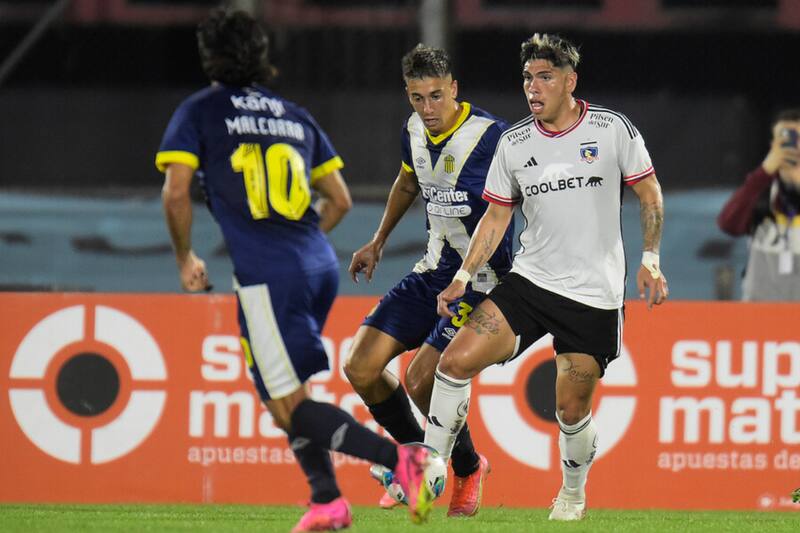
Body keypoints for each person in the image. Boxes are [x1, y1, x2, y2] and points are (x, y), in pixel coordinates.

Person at [156, 8, 432, 531]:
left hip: (268, 271)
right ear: (260, 56)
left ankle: (404, 459)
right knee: (284, 395)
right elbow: (341, 200)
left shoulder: (201, 111)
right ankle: (326, 499)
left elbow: (175, 193)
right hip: (314, 262)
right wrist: (298, 245)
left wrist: (185, 257)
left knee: (289, 404)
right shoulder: (292, 115)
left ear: (208, 55)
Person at [422, 33, 668, 523]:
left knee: (571, 411)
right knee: (452, 362)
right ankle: (430, 463)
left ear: (570, 81)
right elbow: (495, 219)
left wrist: (652, 258)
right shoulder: (514, 143)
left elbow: (649, 192)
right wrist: (464, 275)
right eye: (527, 78)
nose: (533, 88)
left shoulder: (612, 128)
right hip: (530, 284)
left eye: (545, 77)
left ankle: (573, 494)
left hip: (593, 296)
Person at [344, 44, 514, 517]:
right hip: (431, 272)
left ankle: (464, 469)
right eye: (417, 98)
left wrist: (467, 275)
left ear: (454, 89)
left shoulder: (492, 137)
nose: (428, 108)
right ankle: (423, 462)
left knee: (422, 379)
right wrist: (377, 241)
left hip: (481, 279)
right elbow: (407, 183)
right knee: (360, 366)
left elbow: (506, 208)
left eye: (436, 96)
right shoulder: (414, 131)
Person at [717, 109, 800, 300]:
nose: (792, 148)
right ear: (773, 147)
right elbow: (727, 222)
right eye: (785, 139)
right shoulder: (761, 196)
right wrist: (764, 171)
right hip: (759, 320)